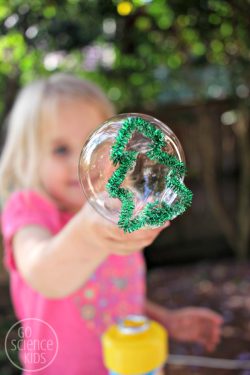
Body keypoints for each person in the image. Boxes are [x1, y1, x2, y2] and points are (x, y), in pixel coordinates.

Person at [0, 74, 223, 375]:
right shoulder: (30, 210)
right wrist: (87, 235)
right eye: (61, 150)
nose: (79, 161)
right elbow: (42, 272)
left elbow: (114, 296)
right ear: (28, 157)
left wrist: (165, 320)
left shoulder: (115, 212)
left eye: (94, 146)